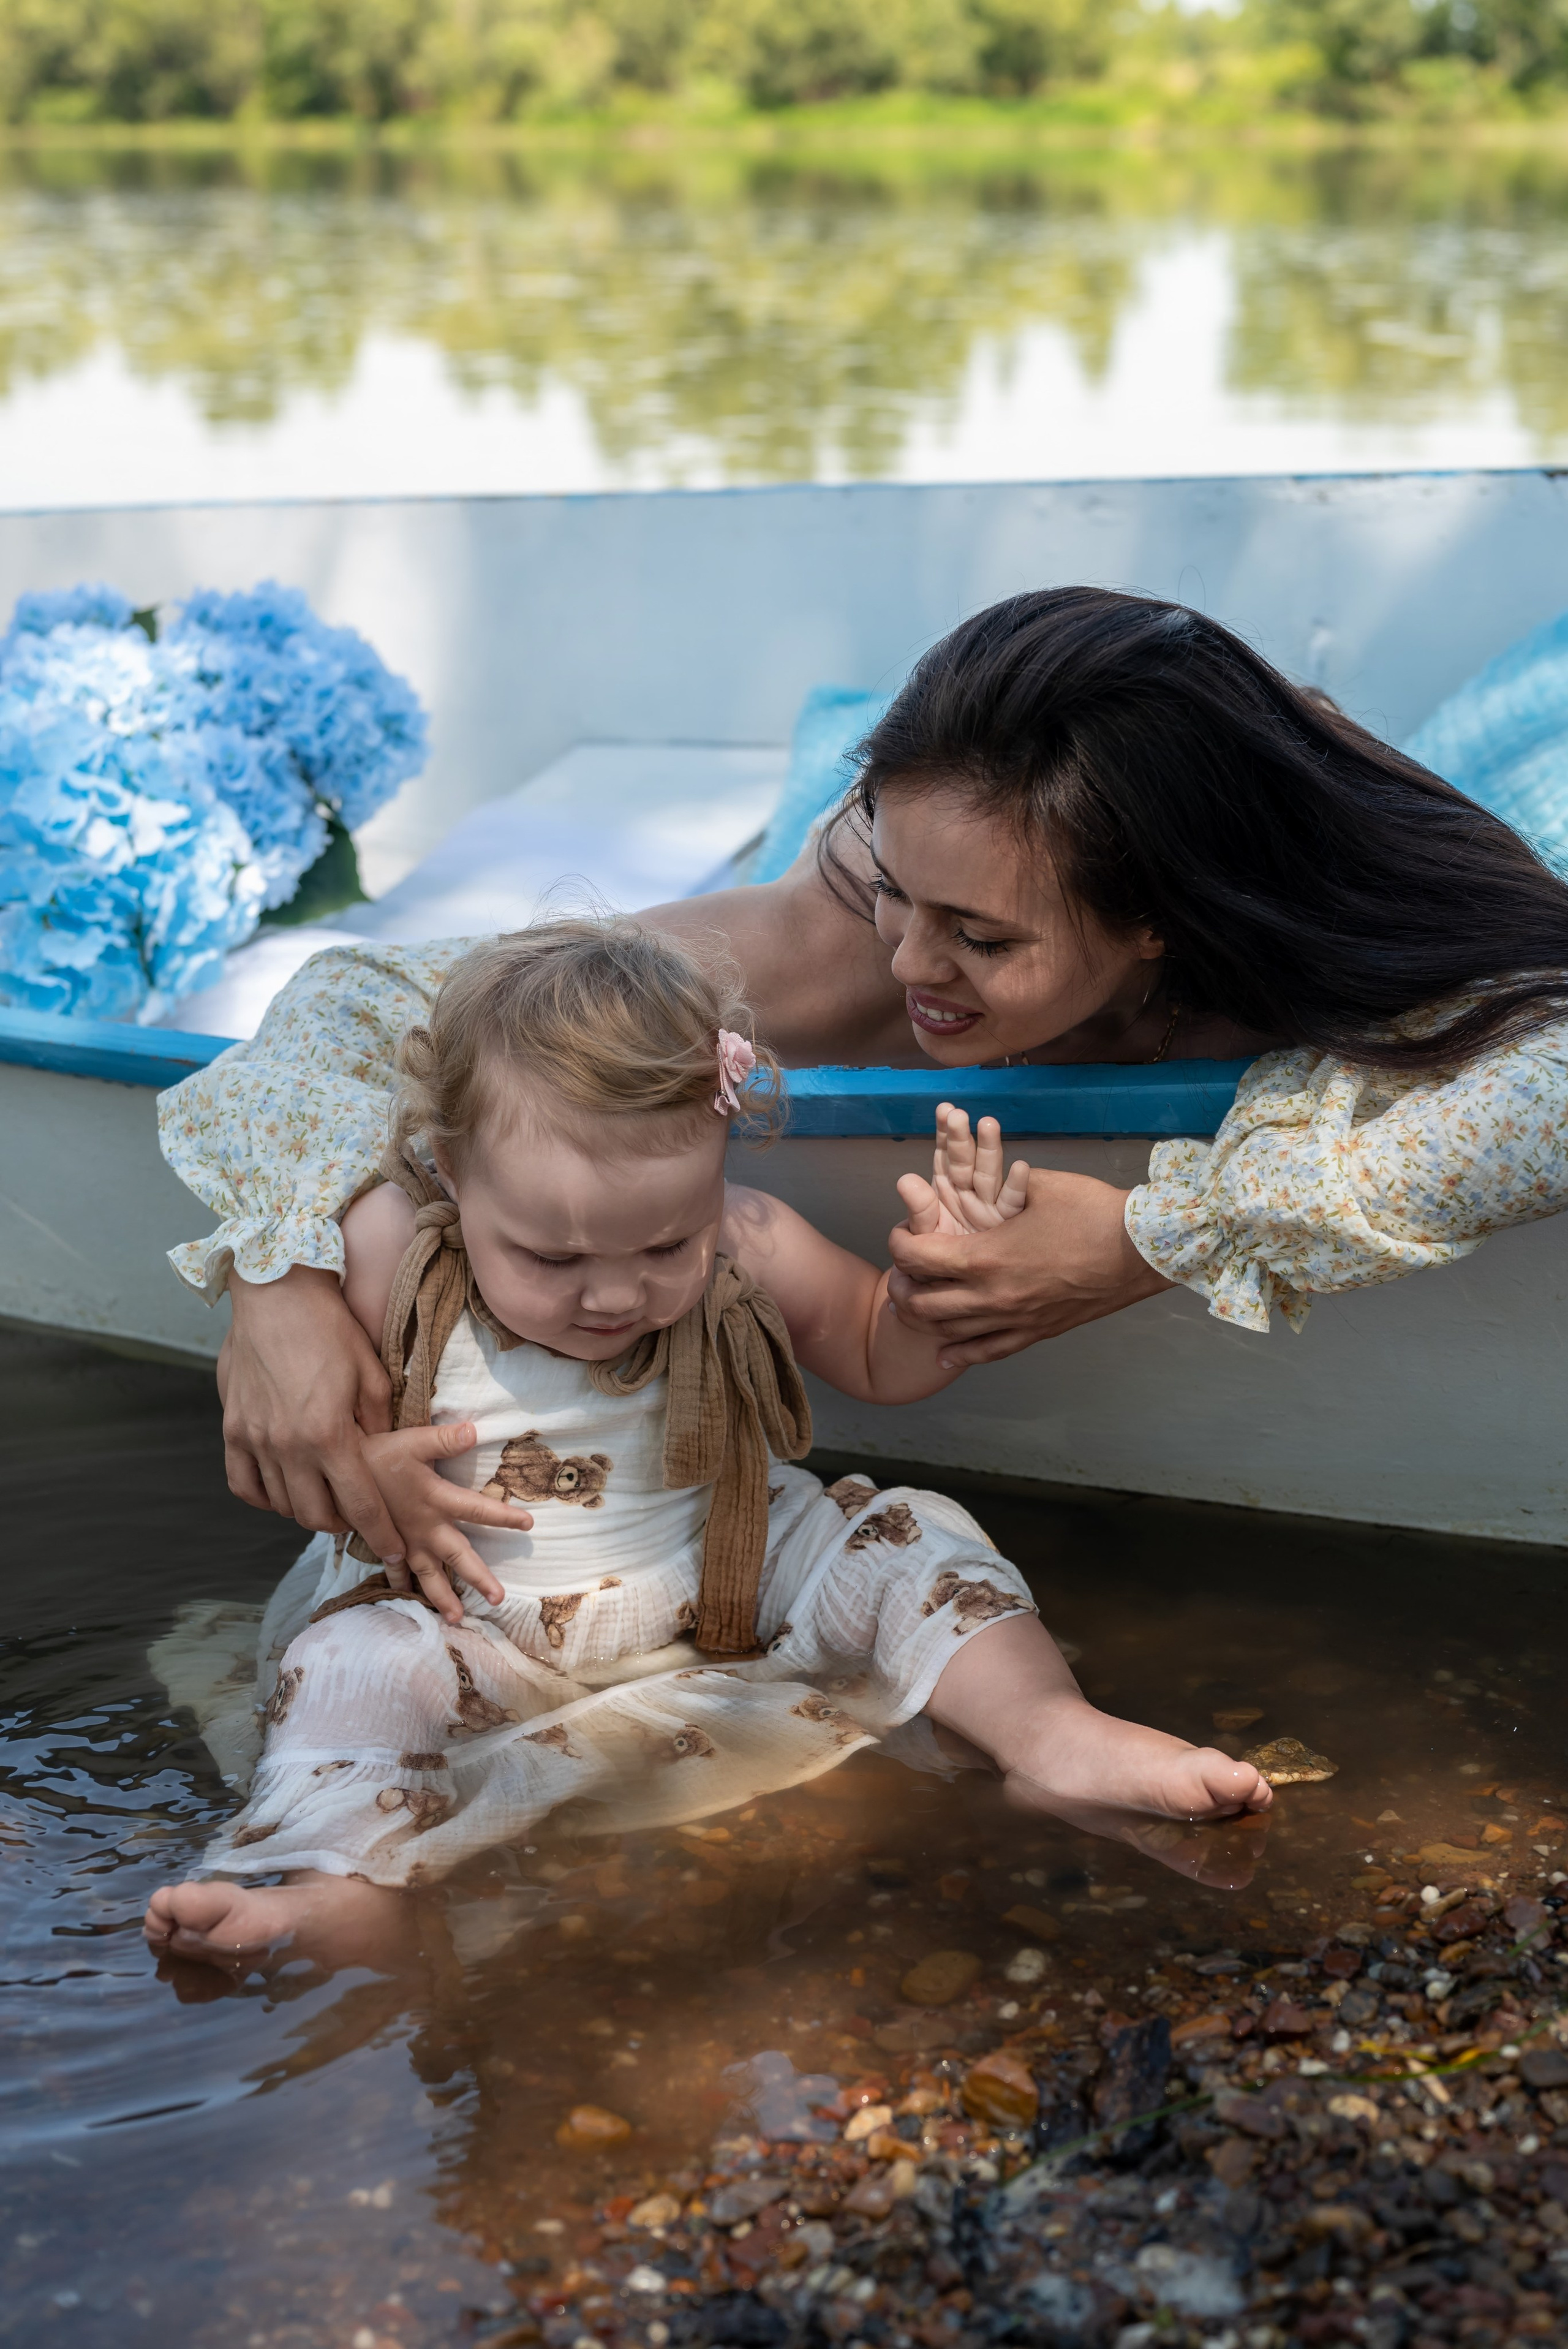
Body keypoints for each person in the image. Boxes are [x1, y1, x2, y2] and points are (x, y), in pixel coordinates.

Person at [158, 586, 1568, 1564]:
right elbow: (364, 1001)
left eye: (979, 936)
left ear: (1157, 926)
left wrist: (1153, 1236)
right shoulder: (842, 934)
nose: (910, 966)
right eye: (899, 890)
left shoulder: (1323, 933)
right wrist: (275, 1286)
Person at [145, 922, 1268, 1970]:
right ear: (450, 1166)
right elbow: (295, 1430)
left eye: (664, 1239)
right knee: (351, 1668)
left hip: (720, 1581)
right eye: (552, 1256)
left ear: (721, 1149)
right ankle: (322, 1874)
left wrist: (936, 1295)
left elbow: (878, 1354)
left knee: (911, 1533)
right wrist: (371, 1486)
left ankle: (1052, 1732)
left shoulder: (748, 1240)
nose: (617, 1292)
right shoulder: (393, 1251)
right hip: (474, 1621)